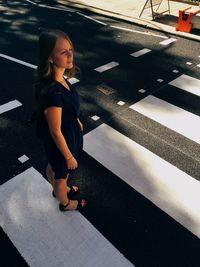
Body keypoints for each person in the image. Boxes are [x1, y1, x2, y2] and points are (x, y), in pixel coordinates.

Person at [34, 29, 86, 211]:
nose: (70, 54)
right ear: (50, 57)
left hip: (67, 134)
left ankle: (60, 189)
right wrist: (69, 156)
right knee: (61, 173)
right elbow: (55, 131)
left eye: (70, 49)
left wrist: (76, 120)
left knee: (54, 168)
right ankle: (64, 202)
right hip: (62, 141)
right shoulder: (53, 91)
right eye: (63, 52)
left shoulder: (61, 79)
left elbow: (68, 109)